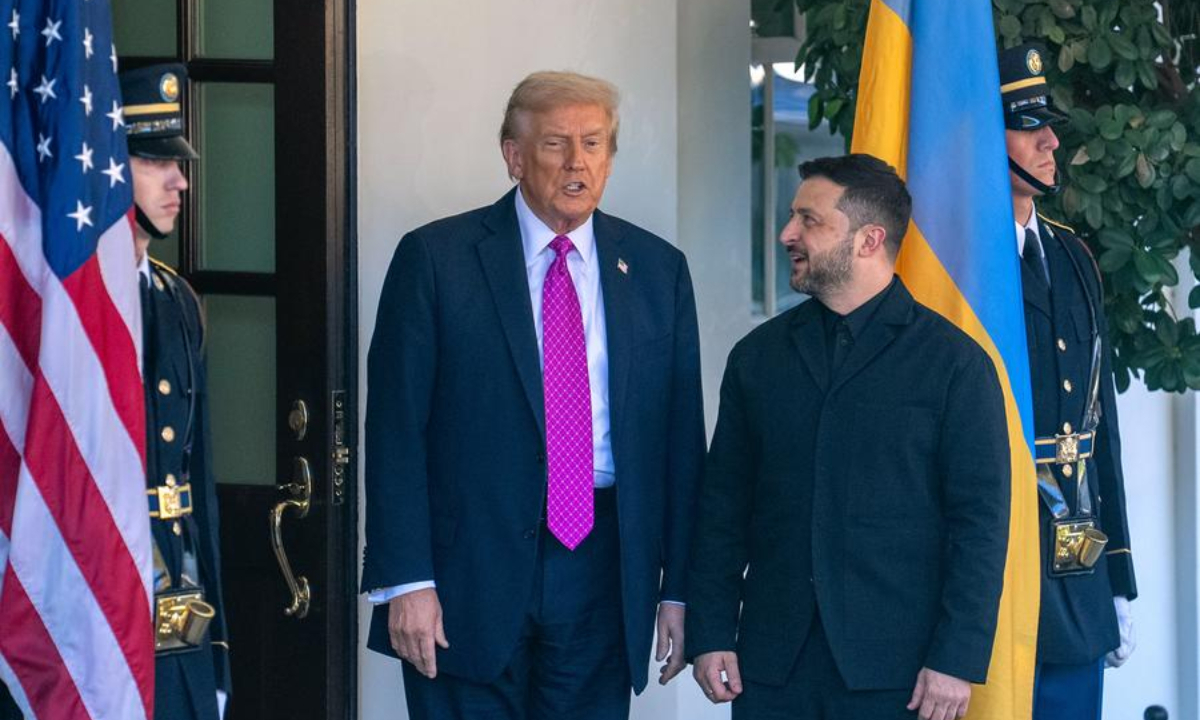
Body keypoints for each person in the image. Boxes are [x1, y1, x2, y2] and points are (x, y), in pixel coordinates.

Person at [361, 70, 705, 719]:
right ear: (513, 156)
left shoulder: (659, 270)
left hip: (605, 570)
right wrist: (407, 579)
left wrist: (681, 591)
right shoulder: (436, 259)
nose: (578, 162)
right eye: (556, 144)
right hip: (467, 573)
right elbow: (395, 428)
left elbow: (681, 443)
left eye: (595, 143)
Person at [686, 154, 1011, 720]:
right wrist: (711, 629)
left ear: (868, 240)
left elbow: (980, 525)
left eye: (809, 220)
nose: (788, 233)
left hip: (902, 675)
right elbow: (723, 508)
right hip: (771, 668)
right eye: (792, 217)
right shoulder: (757, 358)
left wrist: (956, 657)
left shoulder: (956, 365)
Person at [998, 42, 1137, 720]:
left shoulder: (1074, 256)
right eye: (1028, 126)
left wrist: (1120, 573)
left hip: (1075, 563)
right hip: (990, 567)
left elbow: (1097, 425)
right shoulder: (953, 266)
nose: (1051, 140)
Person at [120, 63, 231, 720]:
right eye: (154, 161)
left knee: (182, 705)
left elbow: (197, 483)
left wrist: (210, 650)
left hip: (174, 587)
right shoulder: (63, 313)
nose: (179, 181)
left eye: (179, 163)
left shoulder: (176, 298)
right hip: (94, 583)